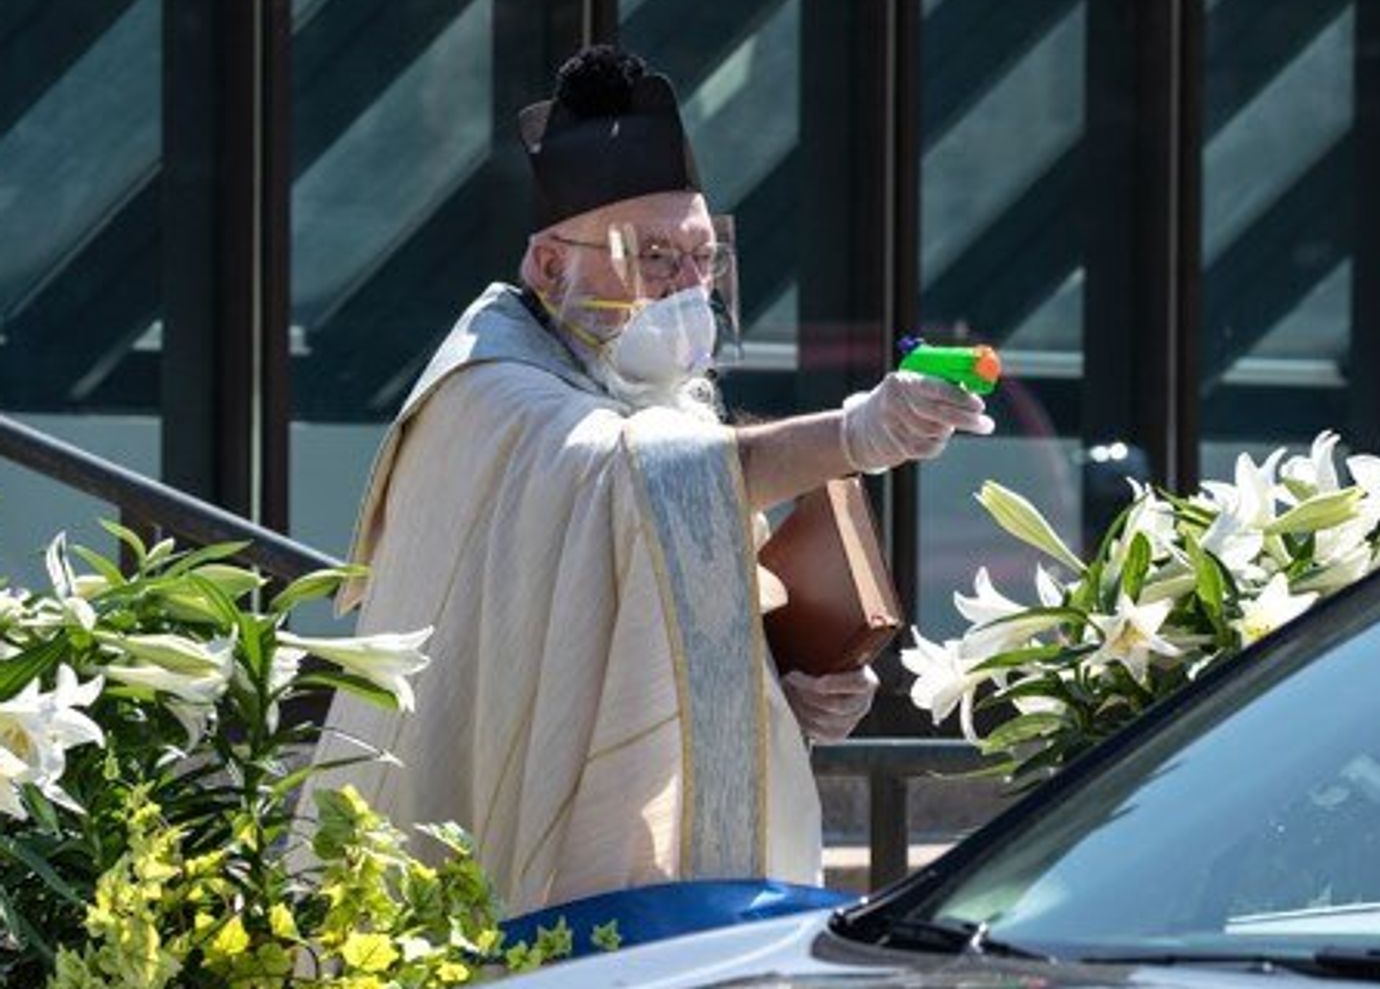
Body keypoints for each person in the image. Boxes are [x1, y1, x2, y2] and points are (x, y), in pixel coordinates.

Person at [299, 45, 993, 915]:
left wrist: (785, 686)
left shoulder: (654, 394)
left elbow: (648, 603)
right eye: (652, 257)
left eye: (702, 257)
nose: (686, 286)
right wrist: (855, 434)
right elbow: (641, 479)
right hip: (496, 828)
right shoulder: (486, 390)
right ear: (550, 266)